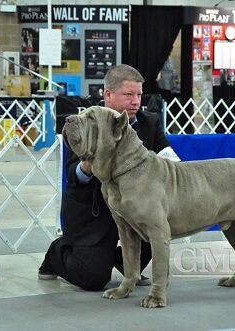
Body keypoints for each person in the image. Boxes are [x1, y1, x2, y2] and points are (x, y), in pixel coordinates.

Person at [38, 64, 180, 291]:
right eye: (129, 95)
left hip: (135, 211)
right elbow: (73, 177)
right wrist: (90, 161)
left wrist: (171, 166)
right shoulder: (84, 121)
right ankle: (57, 253)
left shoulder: (149, 122)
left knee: (159, 227)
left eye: (139, 95)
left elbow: (171, 160)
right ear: (108, 95)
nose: (136, 102)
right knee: (92, 279)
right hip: (93, 215)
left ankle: (121, 260)